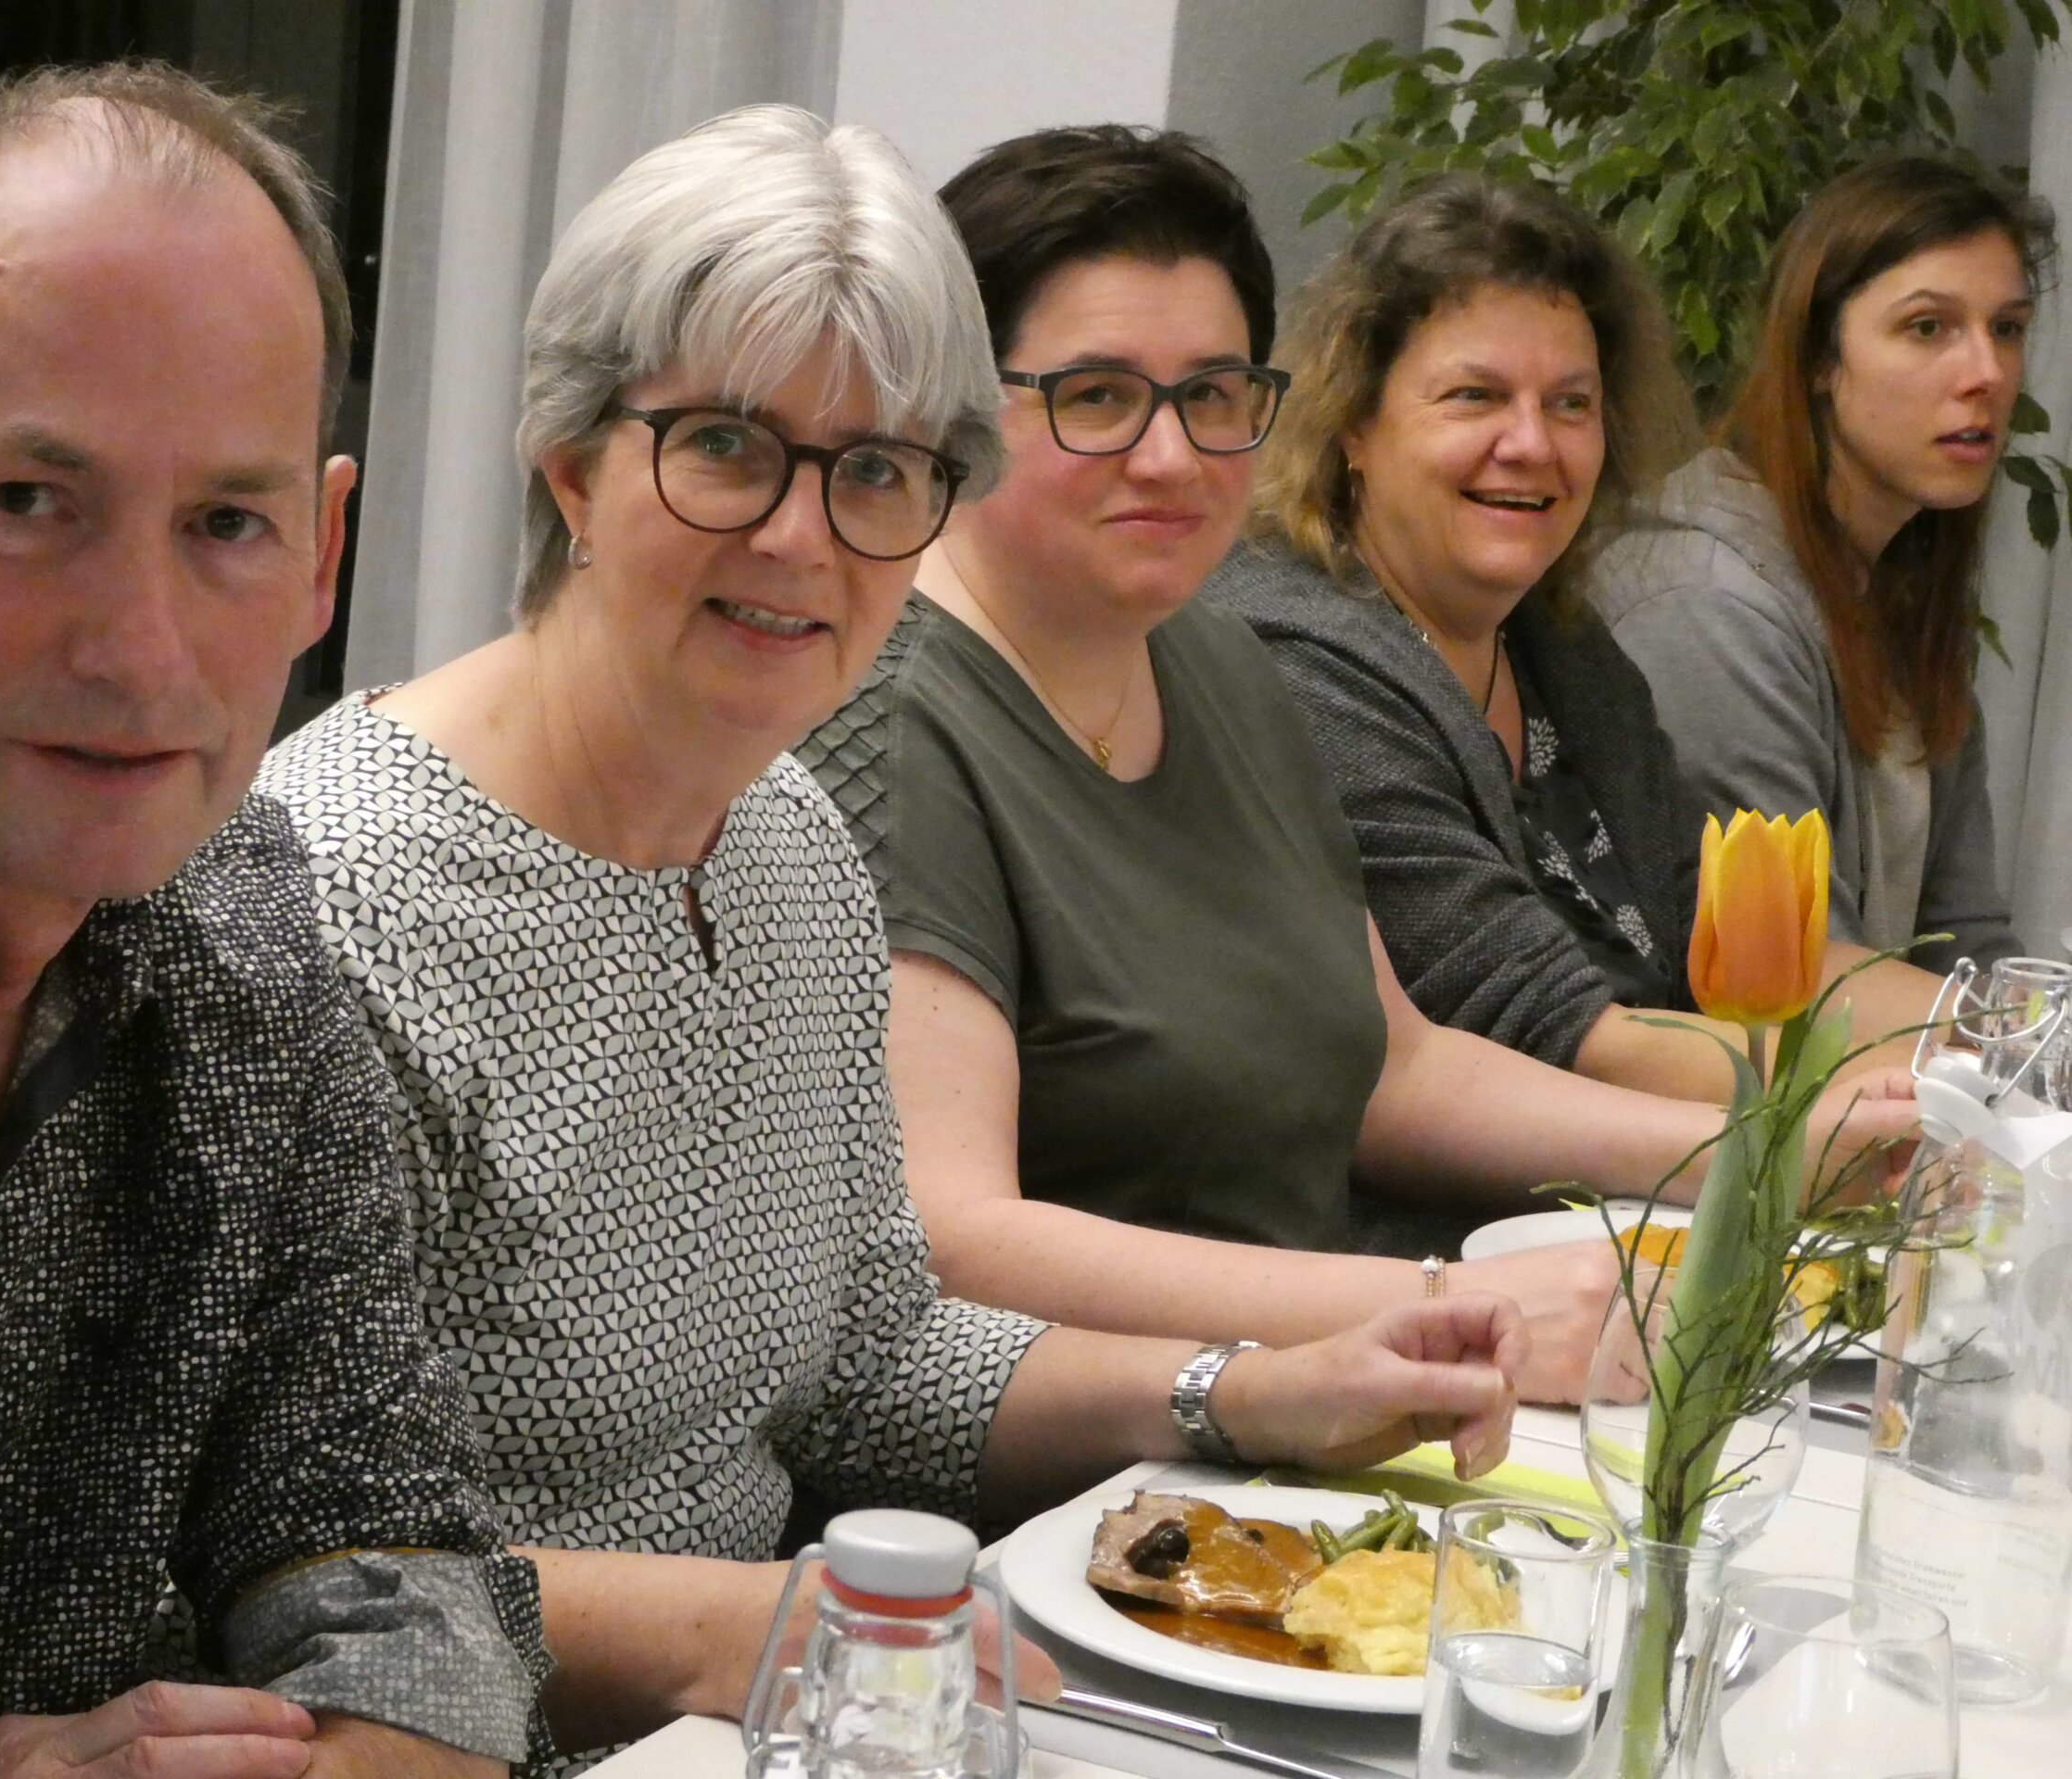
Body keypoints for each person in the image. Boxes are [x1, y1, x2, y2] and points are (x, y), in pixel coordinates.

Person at [259, 106, 1526, 1772]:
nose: (802, 537)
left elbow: (870, 1360)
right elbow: (308, 1582)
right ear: (570, 465)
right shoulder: (337, 897)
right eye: (728, 447)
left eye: (875, 472)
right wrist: (754, 1634)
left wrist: (1238, 1390)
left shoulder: (789, 844)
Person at [798, 126, 1920, 1408]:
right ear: (952, 417)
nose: (1170, 456)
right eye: (1096, 396)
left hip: (1319, 1415)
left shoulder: (1216, 664)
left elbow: (1399, 1069)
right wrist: (1444, 1311)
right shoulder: (891, 723)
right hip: (1086, 1464)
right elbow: (954, 1240)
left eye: (1212, 396)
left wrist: (1768, 1154)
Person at [0, 65, 549, 1776]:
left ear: (322, 555)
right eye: (30, 504)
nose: (140, 652)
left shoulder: (243, 926)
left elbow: (392, 1544)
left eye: (226, 525)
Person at [1206, 174, 1934, 1104]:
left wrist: (2008, 1034)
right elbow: (1549, 1031)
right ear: (1353, 420)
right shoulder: (1296, 655)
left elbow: (1718, 932)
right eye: (1475, 395)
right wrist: (1911, 1097)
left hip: (1659, 1162)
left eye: (1570, 404)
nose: (1532, 444)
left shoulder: (1559, 644)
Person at [1593, 157, 2046, 975]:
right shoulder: (1707, 601)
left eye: (2007, 328)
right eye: (1928, 328)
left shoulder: (1901, 574)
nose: (1986, 373)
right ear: (1818, 359)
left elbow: (1965, 937)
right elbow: (1800, 976)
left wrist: (2038, 1032)